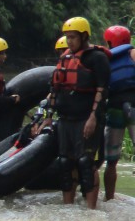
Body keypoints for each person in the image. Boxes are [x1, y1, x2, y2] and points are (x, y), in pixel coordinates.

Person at [43, 17, 110, 208]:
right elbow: (55, 89)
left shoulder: (97, 58)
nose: (69, 41)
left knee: (86, 163)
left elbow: (102, 90)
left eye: (72, 37)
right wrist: (48, 118)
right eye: (67, 37)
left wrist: (93, 118)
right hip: (66, 119)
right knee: (66, 162)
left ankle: (91, 209)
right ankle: (68, 207)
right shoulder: (65, 58)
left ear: (83, 36)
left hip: (86, 119)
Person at [102, 25, 135, 200]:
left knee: (112, 161)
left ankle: (109, 198)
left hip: (114, 109)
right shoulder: (133, 54)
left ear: (109, 42)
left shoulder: (105, 59)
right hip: (134, 107)